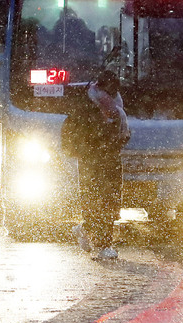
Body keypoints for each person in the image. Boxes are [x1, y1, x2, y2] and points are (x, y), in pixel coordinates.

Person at [66, 70, 130, 260]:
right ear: (102, 86)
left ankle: (88, 231)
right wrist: (99, 145)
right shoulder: (88, 104)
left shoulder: (116, 105)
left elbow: (124, 133)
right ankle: (103, 245)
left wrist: (115, 144)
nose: (113, 91)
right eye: (110, 87)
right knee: (95, 199)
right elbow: (83, 133)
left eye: (115, 87)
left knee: (110, 201)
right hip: (92, 160)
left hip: (110, 159)